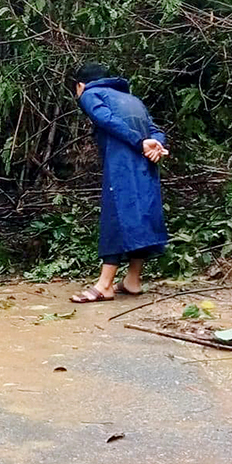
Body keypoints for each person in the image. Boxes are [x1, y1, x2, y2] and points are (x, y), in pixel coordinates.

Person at [69, 64, 170, 304]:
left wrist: (139, 143)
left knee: (116, 215)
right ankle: (132, 280)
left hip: (123, 163)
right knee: (141, 215)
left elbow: (105, 119)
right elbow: (155, 130)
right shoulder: (132, 99)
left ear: (80, 85)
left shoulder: (91, 94)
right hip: (145, 164)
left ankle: (105, 285)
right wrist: (154, 144)